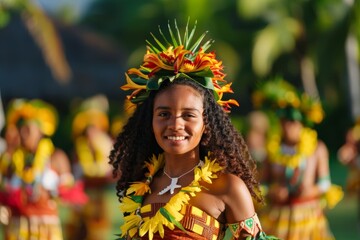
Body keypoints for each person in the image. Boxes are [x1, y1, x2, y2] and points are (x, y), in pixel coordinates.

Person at [109, 20, 278, 240]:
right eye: (163, 114)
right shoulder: (141, 186)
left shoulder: (228, 187)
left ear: (206, 122)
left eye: (188, 115)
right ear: (149, 121)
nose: (175, 124)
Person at [253, 78, 343, 240]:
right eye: (284, 122)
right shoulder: (272, 149)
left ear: (302, 123)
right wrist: (272, 190)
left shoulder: (317, 148)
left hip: (308, 215)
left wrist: (312, 190)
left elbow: (325, 183)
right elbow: (262, 183)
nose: (287, 126)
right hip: (279, 216)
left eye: (292, 122)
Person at [0, 98, 75, 240]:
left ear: (41, 131)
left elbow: (69, 192)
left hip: (46, 229)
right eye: (21, 129)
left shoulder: (56, 157)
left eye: (27, 129)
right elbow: (3, 188)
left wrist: (51, 194)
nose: (23, 134)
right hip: (18, 227)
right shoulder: (11, 159)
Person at [68, 94, 114, 240]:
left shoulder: (105, 144)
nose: (91, 133)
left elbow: (110, 168)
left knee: (98, 229)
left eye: (94, 129)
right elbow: (76, 171)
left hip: (99, 193)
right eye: (88, 129)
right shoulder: (79, 148)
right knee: (80, 230)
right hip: (83, 191)